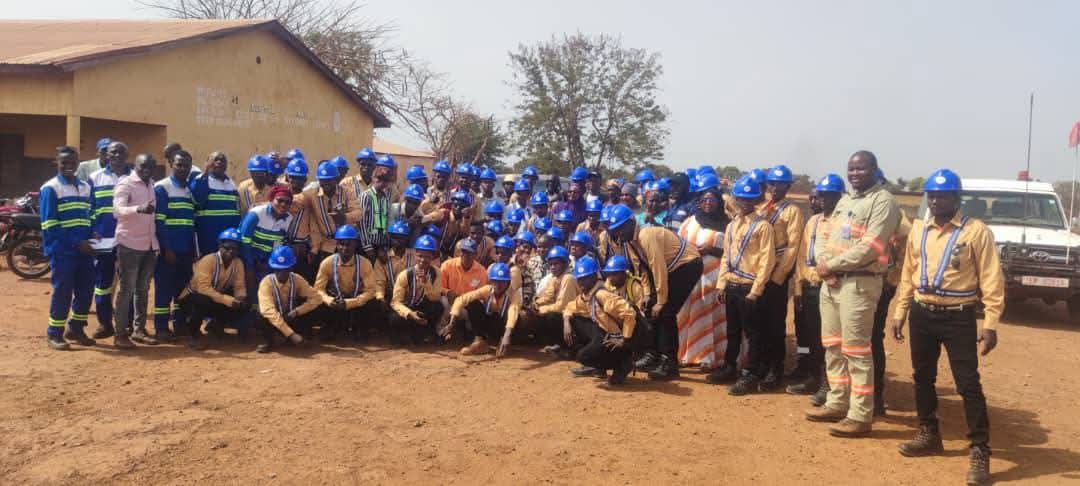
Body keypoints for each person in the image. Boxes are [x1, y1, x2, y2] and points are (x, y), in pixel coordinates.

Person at [888, 169, 1003, 485]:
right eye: (932, 195)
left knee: (968, 383)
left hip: (959, 315)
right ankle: (929, 433)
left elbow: (992, 279)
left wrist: (990, 323)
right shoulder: (919, 230)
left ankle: (979, 449)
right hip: (922, 313)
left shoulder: (975, 233)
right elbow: (908, 273)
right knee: (922, 377)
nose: (936, 201)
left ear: (957, 197)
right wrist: (900, 313)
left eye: (943, 195)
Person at [805, 150, 901, 438]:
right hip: (832, 283)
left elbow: (871, 247)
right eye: (851, 169)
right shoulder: (846, 200)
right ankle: (837, 402)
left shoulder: (883, 201)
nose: (855, 173)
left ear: (874, 169)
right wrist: (826, 266)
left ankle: (860, 415)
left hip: (860, 283)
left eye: (861, 168)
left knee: (857, 351)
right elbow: (826, 236)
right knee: (832, 346)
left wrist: (830, 265)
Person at [607, 204, 702, 381]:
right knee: (650, 308)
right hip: (669, 269)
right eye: (616, 230)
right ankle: (653, 354)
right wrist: (648, 295)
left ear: (631, 222)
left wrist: (661, 300)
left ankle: (670, 363)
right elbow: (643, 270)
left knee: (666, 312)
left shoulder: (646, 235)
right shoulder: (631, 242)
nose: (619, 233)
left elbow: (658, 269)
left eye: (621, 228)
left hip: (687, 265)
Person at [708, 175, 775, 390]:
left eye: (749, 199)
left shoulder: (763, 226)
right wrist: (721, 284)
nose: (744, 203)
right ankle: (729, 366)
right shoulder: (732, 225)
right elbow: (727, 256)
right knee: (733, 330)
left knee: (752, 334)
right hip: (732, 284)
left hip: (749, 287)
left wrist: (756, 291)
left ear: (756, 200)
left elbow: (767, 260)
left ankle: (750, 373)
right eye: (740, 198)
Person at [788, 175, 845, 401]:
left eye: (829, 195)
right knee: (811, 336)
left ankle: (829, 384)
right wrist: (799, 289)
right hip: (809, 286)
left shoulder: (843, 223)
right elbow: (802, 257)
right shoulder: (812, 222)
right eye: (821, 195)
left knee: (829, 339)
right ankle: (812, 376)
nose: (823, 200)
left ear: (840, 197)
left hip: (831, 287)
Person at [41, 146, 96, 350]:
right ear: (57, 162)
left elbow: (89, 215)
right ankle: (54, 333)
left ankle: (76, 328)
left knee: (85, 290)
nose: (69, 166)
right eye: (64, 162)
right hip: (63, 251)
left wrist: (92, 234)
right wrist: (76, 242)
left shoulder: (85, 187)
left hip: (85, 251)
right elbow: (50, 225)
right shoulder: (51, 188)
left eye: (73, 162)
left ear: (78, 163)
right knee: (63, 292)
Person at [675, 176, 730, 371]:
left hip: (715, 279)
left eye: (712, 200)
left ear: (719, 202)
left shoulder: (728, 224)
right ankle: (688, 355)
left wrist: (711, 249)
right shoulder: (690, 222)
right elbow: (679, 246)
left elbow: (734, 253)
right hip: (691, 277)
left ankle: (711, 357)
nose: (707, 203)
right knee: (690, 315)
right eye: (704, 200)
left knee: (712, 318)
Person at [758, 164, 806, 390]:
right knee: (759, 324)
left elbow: (793, 246)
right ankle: (761, 364)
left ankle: (774, 370)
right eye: (771, 183)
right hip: (758, 274)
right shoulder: (762, 208)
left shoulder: (792, 211)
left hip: (777, 276)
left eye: (778, 183)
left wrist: (778, 276)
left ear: (787, 186)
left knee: (775, 325)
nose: (774, 187)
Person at [562, 256, 638, 386]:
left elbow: (630, 313)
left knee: (583, 357)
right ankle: (602, 365)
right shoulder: (587, 295)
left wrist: (624, 339)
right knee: (574, 320)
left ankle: (622, 364)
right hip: (603, 331)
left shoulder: (602, 295)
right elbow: (570, 307)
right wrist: (566, 322)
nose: (581, 283)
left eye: (585, 279)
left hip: (617, 337)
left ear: (593, 277)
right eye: (579, 279)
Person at [112, 154, 160, 348]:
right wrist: (138, 209)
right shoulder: (126, 184)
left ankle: (139, 330)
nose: (146, 169)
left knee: (143, 290)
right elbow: (117, 210)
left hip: (149, 245)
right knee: (127, 291)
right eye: (142, 166)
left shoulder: (152, 184)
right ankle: (120, 334)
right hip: (129, 245)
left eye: (150, 165)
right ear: (135, 165)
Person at [87, 141, 131, 340]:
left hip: (130, 241)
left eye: (121, 152)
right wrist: (91, 229)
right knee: (102, 285)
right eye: (113, 152)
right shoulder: (95, 178)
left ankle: (128, 326)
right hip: (103, 241)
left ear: (127, 155)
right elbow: (87, 208)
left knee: (129, 285)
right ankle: (105, 324)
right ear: (106, 155)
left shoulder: (136, 177)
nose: (117, 156)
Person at [176, 228, 248, 350]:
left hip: (214, 298)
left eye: (235, 248)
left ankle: (215, 326)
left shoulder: (238, 263)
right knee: (202, 300)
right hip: (191, 299)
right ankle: (193, 336)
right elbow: (202, 288)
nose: (230, 251)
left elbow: (239, 286)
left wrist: (240, 298)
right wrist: (229, 300)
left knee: (245, 303)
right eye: (227, 247)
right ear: (220, 246)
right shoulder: (208, 260)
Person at [151, 150, 197, 341]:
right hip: (169, 250)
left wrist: (193, 250)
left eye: (186, 165)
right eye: (179, 164)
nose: (183, 168)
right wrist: (166, 248)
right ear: (172, 165)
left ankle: (180, 325)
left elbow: (191, 222)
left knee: (182, 290)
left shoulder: (189, 190)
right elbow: (159, 222)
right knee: (164, 290)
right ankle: (161, 327)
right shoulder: (163, 188)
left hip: (186, 249)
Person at [313, 225, 381, 342]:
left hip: (356, 302)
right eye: (341, 244)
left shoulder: (365, 263)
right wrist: (329, 301)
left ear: (355, 245)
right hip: (335, 301)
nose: (344, 248)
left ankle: (360, 329)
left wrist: (350, 303)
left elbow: (370, 290)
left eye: (348, 244)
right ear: (336, 244)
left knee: (373, 303)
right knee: (316, 301)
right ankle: (330, 327)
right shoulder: (327, 263)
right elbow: (318, 289)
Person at [255, 246, 321, 353]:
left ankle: (302, 337)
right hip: (275, 320)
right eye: (278, 269)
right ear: (273, 268)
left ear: (291, 269)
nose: (281, 273)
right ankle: (269, 341)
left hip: (291, 316)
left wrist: (297, 311)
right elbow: (268, 311)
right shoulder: (266, 282)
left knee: (314, 309)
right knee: (260, 314)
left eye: (285, 270)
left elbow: (317, 298)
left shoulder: (297, 279)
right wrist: (291, 334)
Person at [447, 262, 521, 357]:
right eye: (495, 281)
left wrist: (507, 335)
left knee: (519, 316)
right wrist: (451, 322)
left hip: (505, 327)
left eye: (502, 282)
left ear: (508, 282)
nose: (498, 285)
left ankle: (504, 342)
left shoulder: (514, 294)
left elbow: (512, 313)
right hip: (489, 325)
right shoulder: (487, 290)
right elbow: (462, 299)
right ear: (491, 281)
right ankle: (480, 341)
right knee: (473, 303)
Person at [388, 235, 445, 345]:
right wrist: (410, 313)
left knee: (438, 306)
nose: (423, 260)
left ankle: (427, 333)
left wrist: (426, 283)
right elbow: (395, 302)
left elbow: (436, 297)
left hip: (421, 306)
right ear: (415, 255)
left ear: (433, 257)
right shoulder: (405, 275)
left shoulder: (436, 273)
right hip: (407, 307)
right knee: (394, 318)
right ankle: (404, 334)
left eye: (427, 257)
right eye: (420, 256)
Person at [526, 245, 579, 353]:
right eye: (550, 264)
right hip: (563, 316)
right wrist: (535, 304)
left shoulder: (568, 278)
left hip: (573, 319)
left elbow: (561, 307)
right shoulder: (554, 278)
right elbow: (547, 297)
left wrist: (541, 310)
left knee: (552, 316)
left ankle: (565, 346)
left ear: (565, 264)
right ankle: (549, 341)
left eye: (556, 264)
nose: (552, 267)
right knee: (534, 313)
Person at [191, 151, 241, 256]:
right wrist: (205, 173)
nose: (219, 162)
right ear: (207, 163)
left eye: (222, 160)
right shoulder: (201, 180)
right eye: (215, 159)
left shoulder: (231, 183)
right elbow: (198, 201)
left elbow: (236, 209)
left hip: (228, 239)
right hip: (208, 237)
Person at [352, 155, 397, 261]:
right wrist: (368, 247)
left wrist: (384, 246)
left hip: (380, 246)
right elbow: (361, 223)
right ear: (374, 178)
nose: (382, 183)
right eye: (379, 179)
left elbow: (385, 223)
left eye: (385, 180)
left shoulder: (386, 198)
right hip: (365, 246)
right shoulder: (366, 196)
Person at [305, 161, 350, 266]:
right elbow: (296, 200)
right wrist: (315, 248)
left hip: (345, 244)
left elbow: (358, 213)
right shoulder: (312, 195)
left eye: (329, 180)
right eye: (322, 180)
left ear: (336, 179)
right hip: (324, 245)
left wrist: (344, 217)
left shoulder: (347, 192)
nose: (326, 184)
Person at [284, 159, 314, 281]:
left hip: (300, 246)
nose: (296, 181)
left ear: (305, 180)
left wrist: (314, 248)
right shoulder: (281, 195)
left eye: (300, 178)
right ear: (287, 177)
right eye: (293, 177)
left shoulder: (307, 198)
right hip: (283, 243)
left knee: (300, 279)